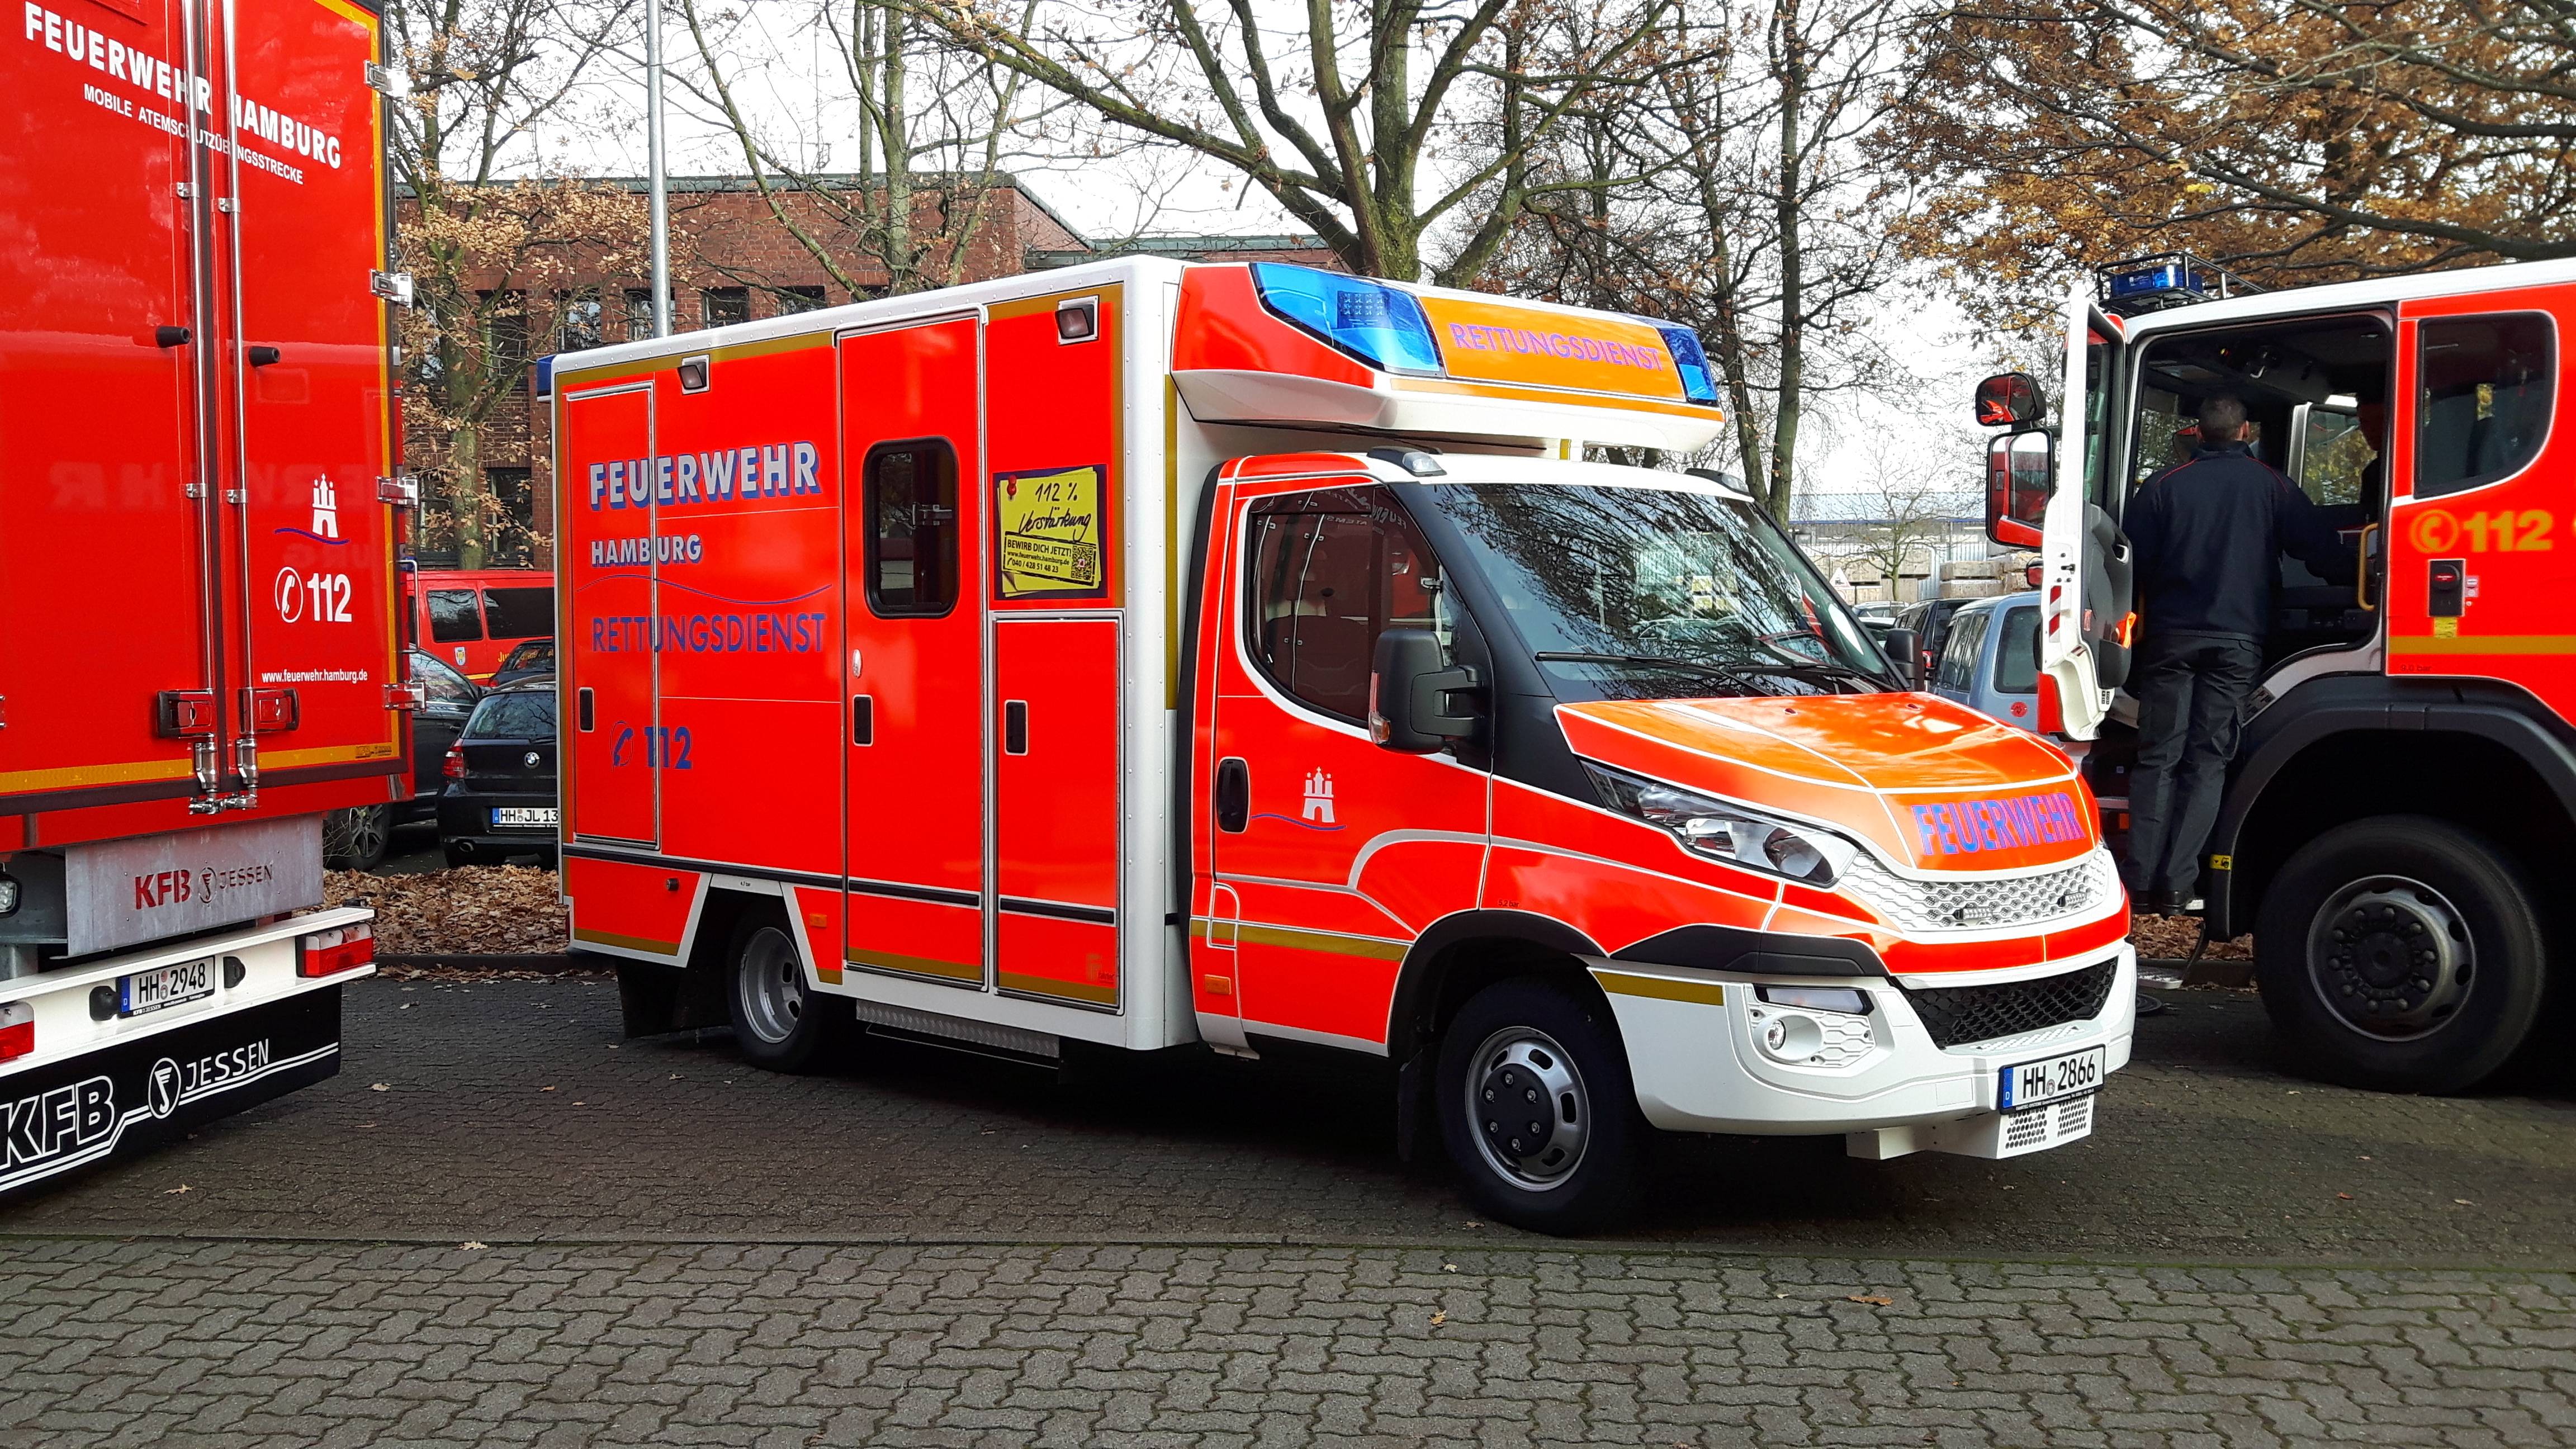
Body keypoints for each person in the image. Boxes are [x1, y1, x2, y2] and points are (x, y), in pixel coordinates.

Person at [2120, 394, 2351, 914]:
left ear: (2198, 434)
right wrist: (2369, 582)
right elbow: (2320, 552)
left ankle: (2140, 882)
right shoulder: (2271, 485)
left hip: (2171, 640)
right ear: (2246, 431)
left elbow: (2130, 564)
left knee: (2158, 757)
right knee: (2208, 760)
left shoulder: (2162, 487)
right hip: (2238, 641)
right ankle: (2178, 884)